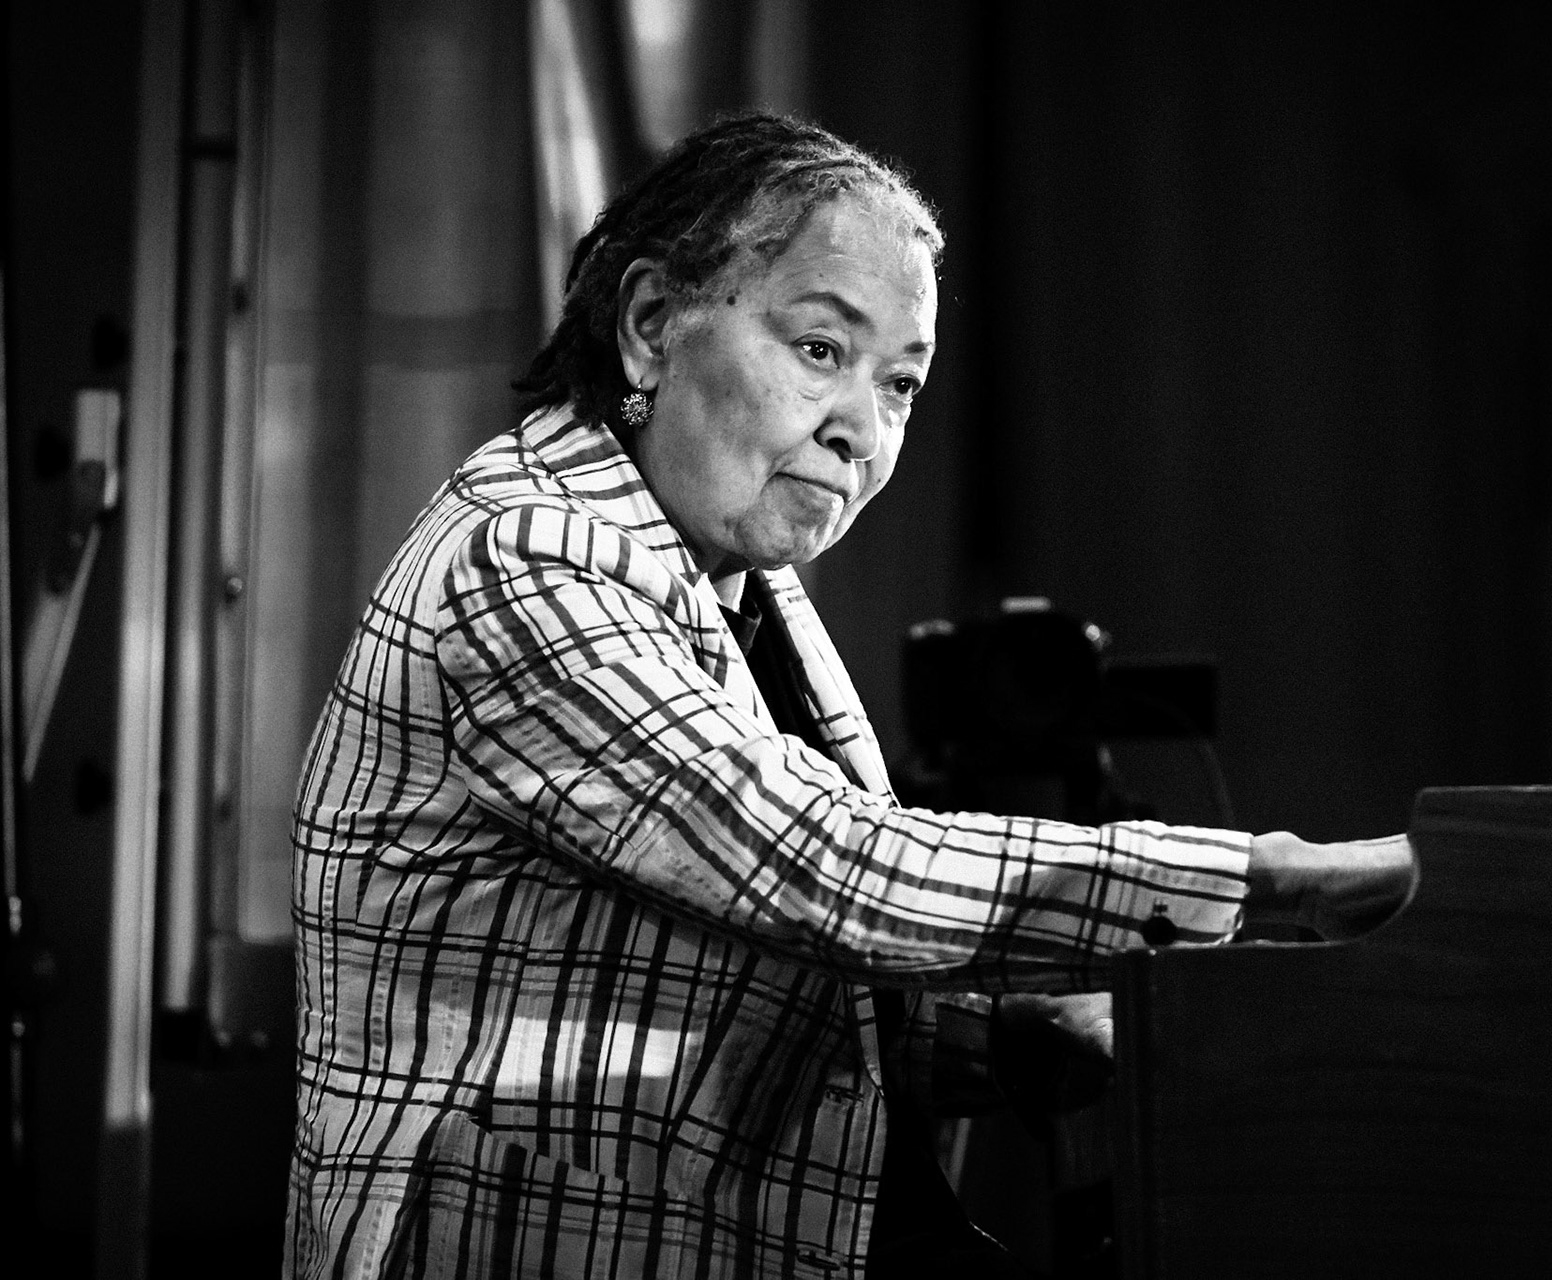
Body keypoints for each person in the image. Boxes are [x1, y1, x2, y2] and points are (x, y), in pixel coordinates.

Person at [282, 112, 1416, 1280]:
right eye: (821, 351)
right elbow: (827, 871)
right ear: (650, 325)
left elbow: (690, 959)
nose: (860, 434)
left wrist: (999, 1039)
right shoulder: (523, 556)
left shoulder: (731, 567)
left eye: (902, 385)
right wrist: (1279, 874)